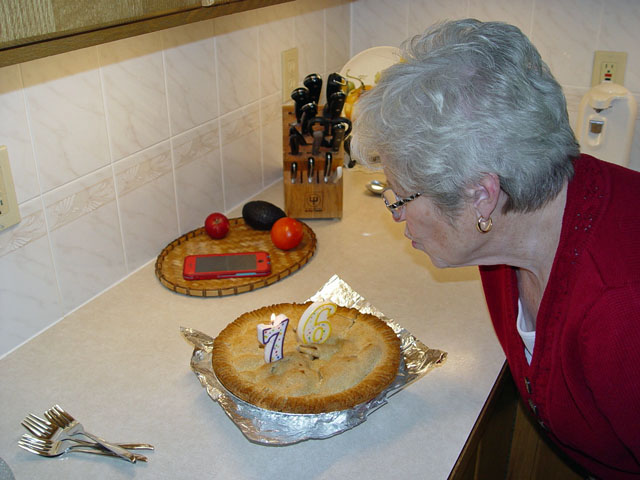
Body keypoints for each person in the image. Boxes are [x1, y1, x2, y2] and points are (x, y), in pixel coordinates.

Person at [351, 18, 640, 480]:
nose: (396, 214)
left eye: (401, 197)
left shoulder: (621, 309)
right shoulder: (510, 231)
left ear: (480, 196)